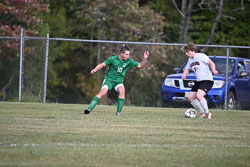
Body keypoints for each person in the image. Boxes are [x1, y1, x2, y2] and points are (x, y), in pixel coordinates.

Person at [84, 46, 150, 115]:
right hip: (109, 80)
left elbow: (140, 65)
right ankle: (88, 109)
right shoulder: (113, 59)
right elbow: (102, 65)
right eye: (126, 54)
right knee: (103, 93)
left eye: (129, 54)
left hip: (118, 82)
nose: (128, 56)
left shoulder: (129, 61)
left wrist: (145, 58)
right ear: (121, 53)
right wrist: (95, 69)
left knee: (122, 91)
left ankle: (118, 112)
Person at [181, 43, 218, 119]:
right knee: (190, 98)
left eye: (188, 51)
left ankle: (207, 113)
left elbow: (211, 62)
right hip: (199, 81)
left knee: (199, 95)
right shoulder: (190, 60)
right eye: (186, 52)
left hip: (207, 80)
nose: (186, 53)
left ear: (193, 50)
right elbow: (187, 69)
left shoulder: (201, 56)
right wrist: (184, 74)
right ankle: (202, 112)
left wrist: (213, 70)